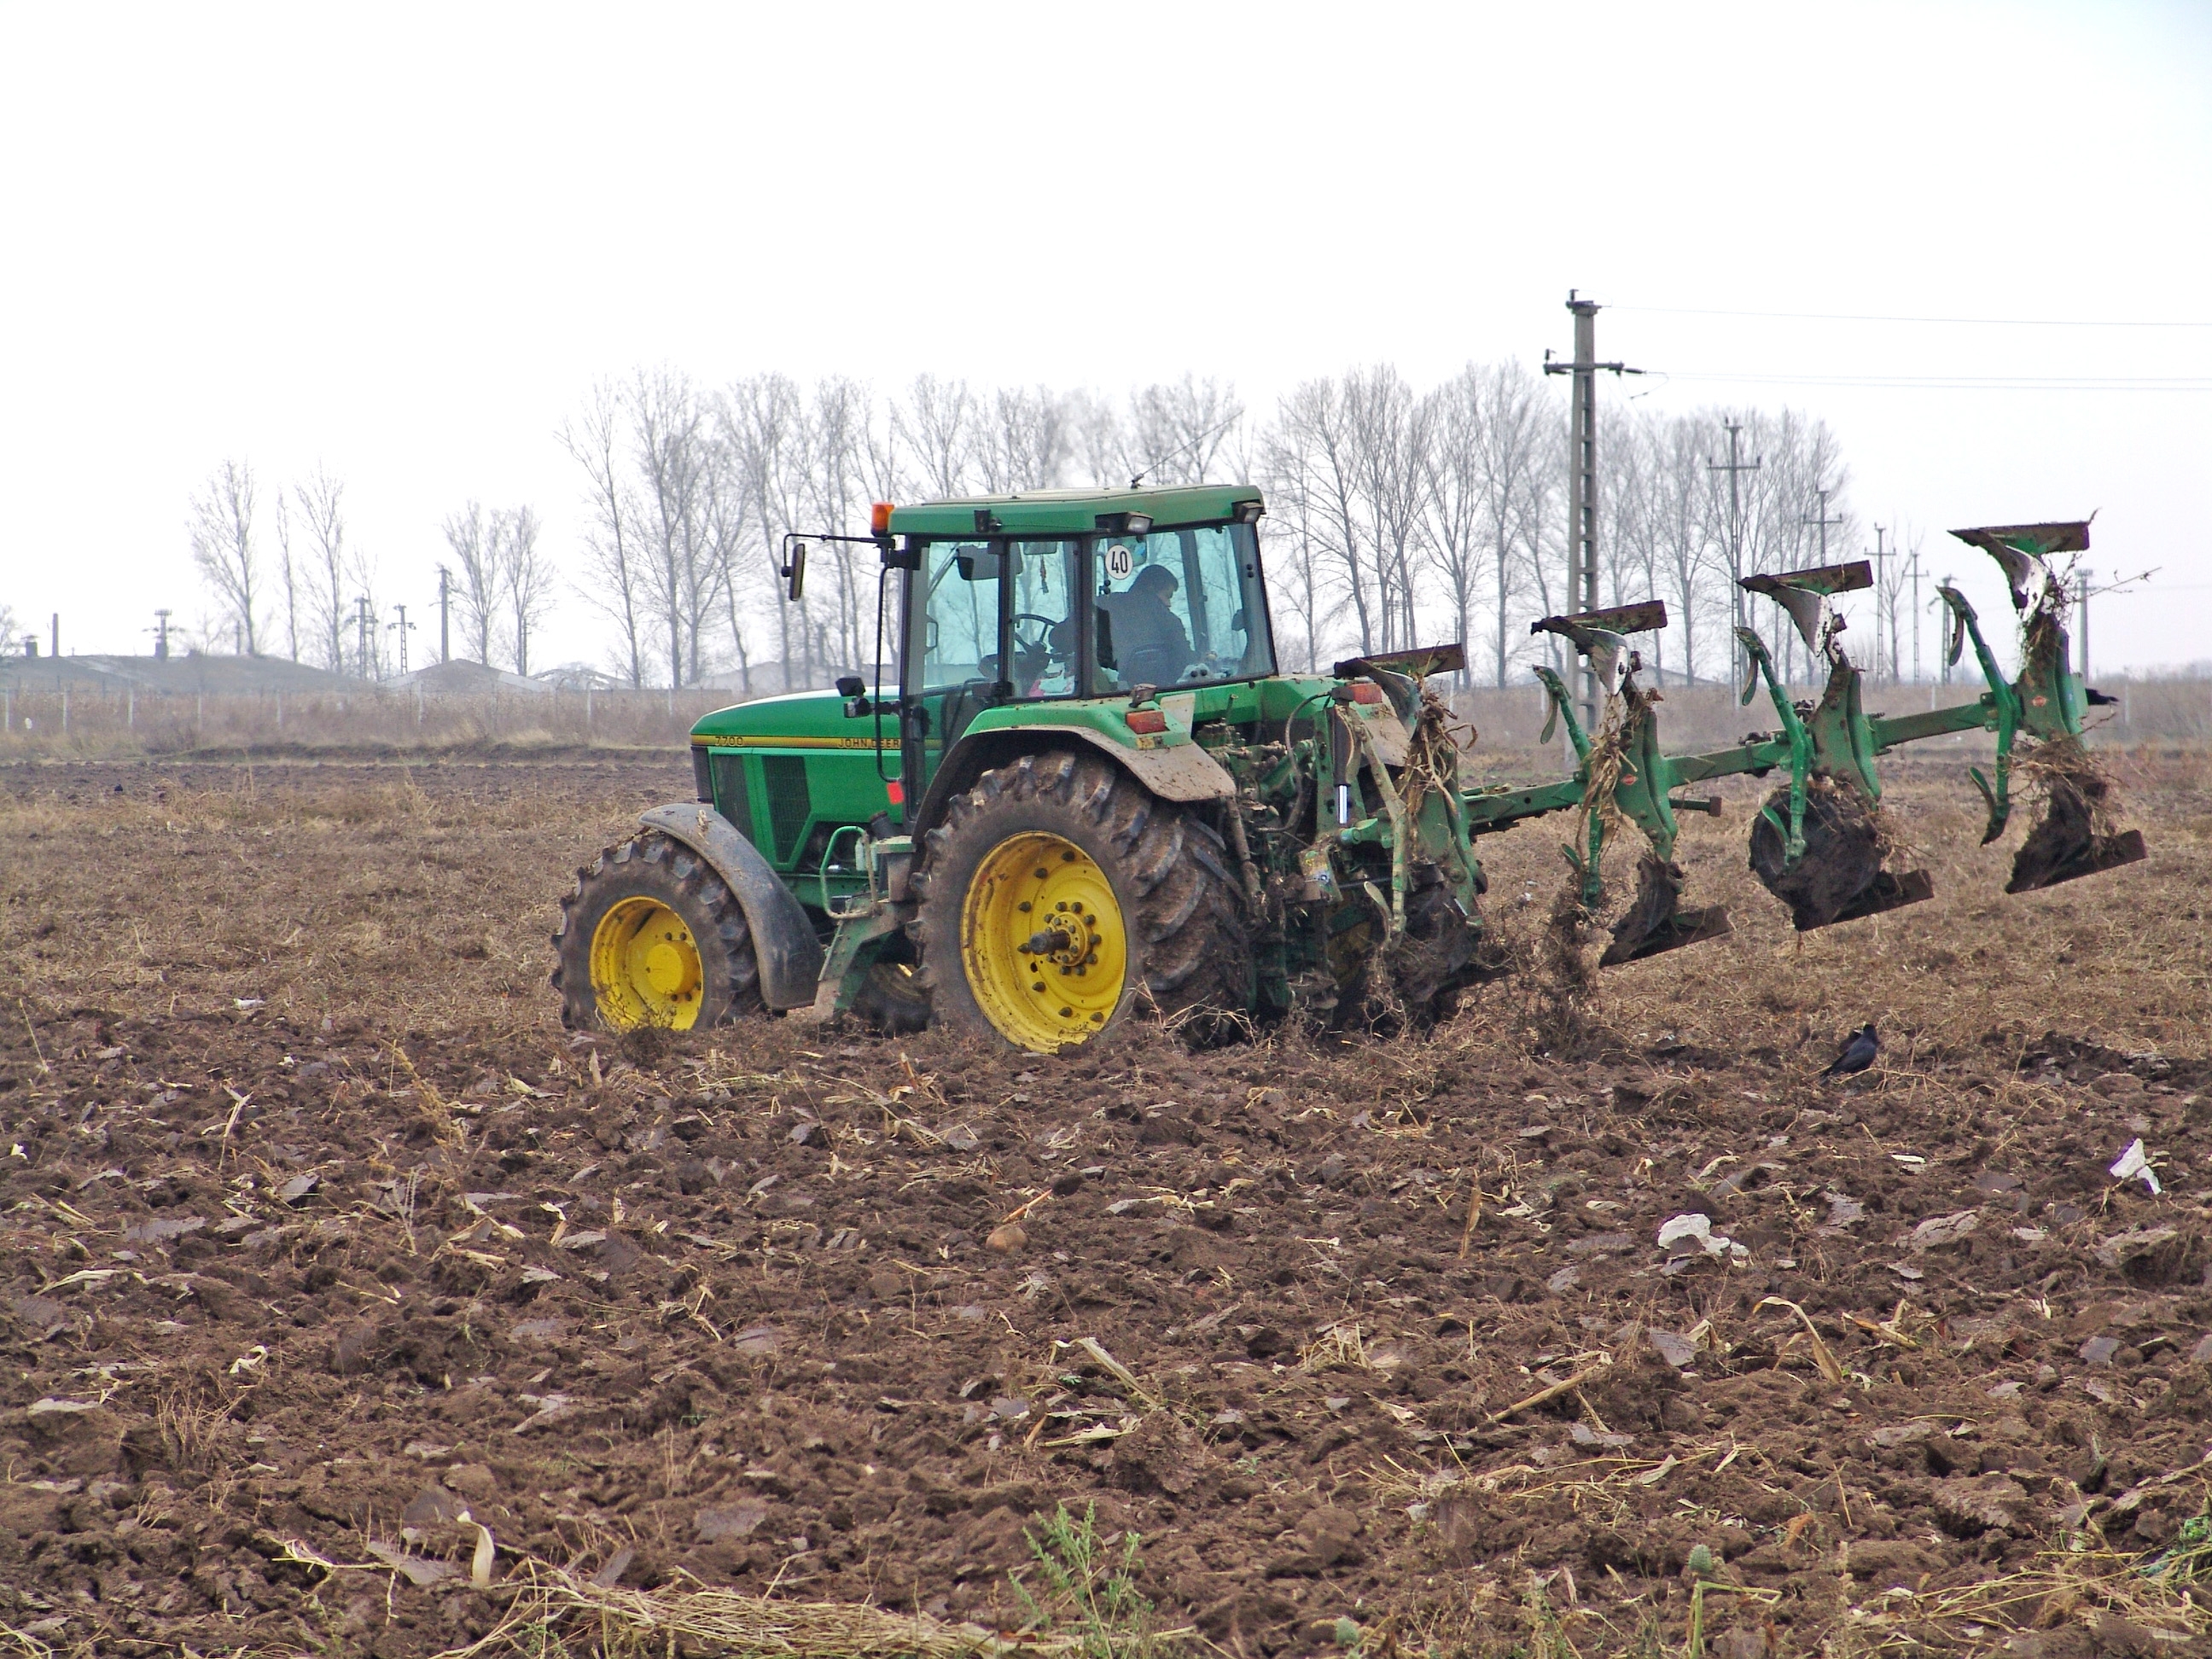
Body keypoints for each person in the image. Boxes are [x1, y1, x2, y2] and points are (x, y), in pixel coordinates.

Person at [1097, 562, 1192, 687]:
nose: (1169, 604)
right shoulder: (1168, 620)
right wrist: (1203, 660)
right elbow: (1186, 661)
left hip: (1111, 692)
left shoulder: (1102, 606)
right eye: (1167, 596)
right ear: (1150, 589)